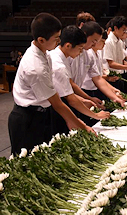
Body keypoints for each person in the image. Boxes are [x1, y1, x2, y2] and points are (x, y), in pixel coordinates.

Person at [8, 13, 94, 155]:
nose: (59, 41)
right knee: (25, 165)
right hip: (26, 118)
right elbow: (57, 103)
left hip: (40, 114)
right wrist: (82, 125)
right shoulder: (36, 67)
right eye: (56, 38)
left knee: (44, 157)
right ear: (41, 40)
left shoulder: (45, 53)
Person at [50, 25, 110, 134]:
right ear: (68, 46)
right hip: (44, 109)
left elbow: (69, 87)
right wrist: (95, 115)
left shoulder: (63, 57)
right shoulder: (59, 65)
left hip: (58, 102)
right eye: (80, 49)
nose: (81, 52)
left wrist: (85, 99)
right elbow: (70, 98)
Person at [69, 21, 127, 114]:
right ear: (84, 35)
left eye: (97, 41)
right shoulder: (70, 52)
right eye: (94, 40)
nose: (95, 44)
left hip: (77, 93)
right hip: (70, 94)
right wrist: (88, 98)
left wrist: (114, 97)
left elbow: (97, 78)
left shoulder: (88, 54)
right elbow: (70, 82)